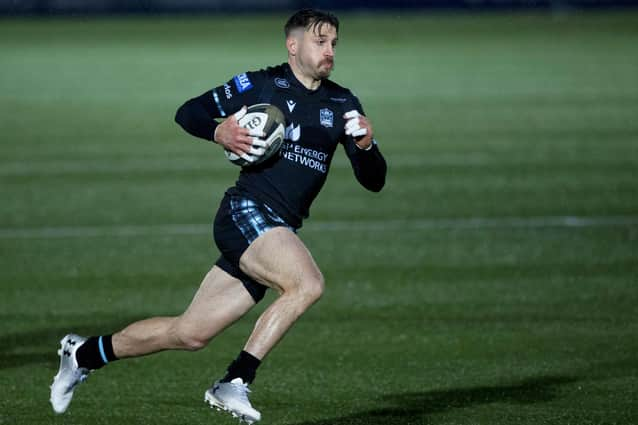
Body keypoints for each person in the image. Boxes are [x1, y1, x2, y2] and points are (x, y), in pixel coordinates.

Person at [49, 8, 386, 424]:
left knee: (189, 334)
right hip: (246, 211)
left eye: (334, 42)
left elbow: (374, 181)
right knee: (306, 283)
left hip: (272, 232)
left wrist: (367, 146)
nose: (329, 50)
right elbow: (188, 112)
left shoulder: (342, 103)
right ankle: (235, 381)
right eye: (320, 42)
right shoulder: (262, 84)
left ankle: (83, 353)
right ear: (293, 45)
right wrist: (218, 131)